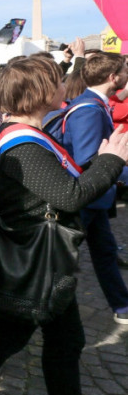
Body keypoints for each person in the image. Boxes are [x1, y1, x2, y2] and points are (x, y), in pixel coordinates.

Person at [0, 57, 128, 395]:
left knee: (54, 340)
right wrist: (110, 161)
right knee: (18, 336)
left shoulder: (31, 135)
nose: (66, 84)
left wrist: (101, 161)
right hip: (33, 261)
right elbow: (69, 196)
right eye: (58, 79)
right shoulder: (24, 144)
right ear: (41, 92)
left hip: (42, 258)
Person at [54, 52, 128, 324]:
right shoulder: (88, 108)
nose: (126, 73)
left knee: (105, 253)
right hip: (84, 198)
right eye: (124, 70)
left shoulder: (96, 102)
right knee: (62, 261)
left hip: (94, 198)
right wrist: (122, 168)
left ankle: (121, 305)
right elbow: (87, 159)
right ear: (113, 77)